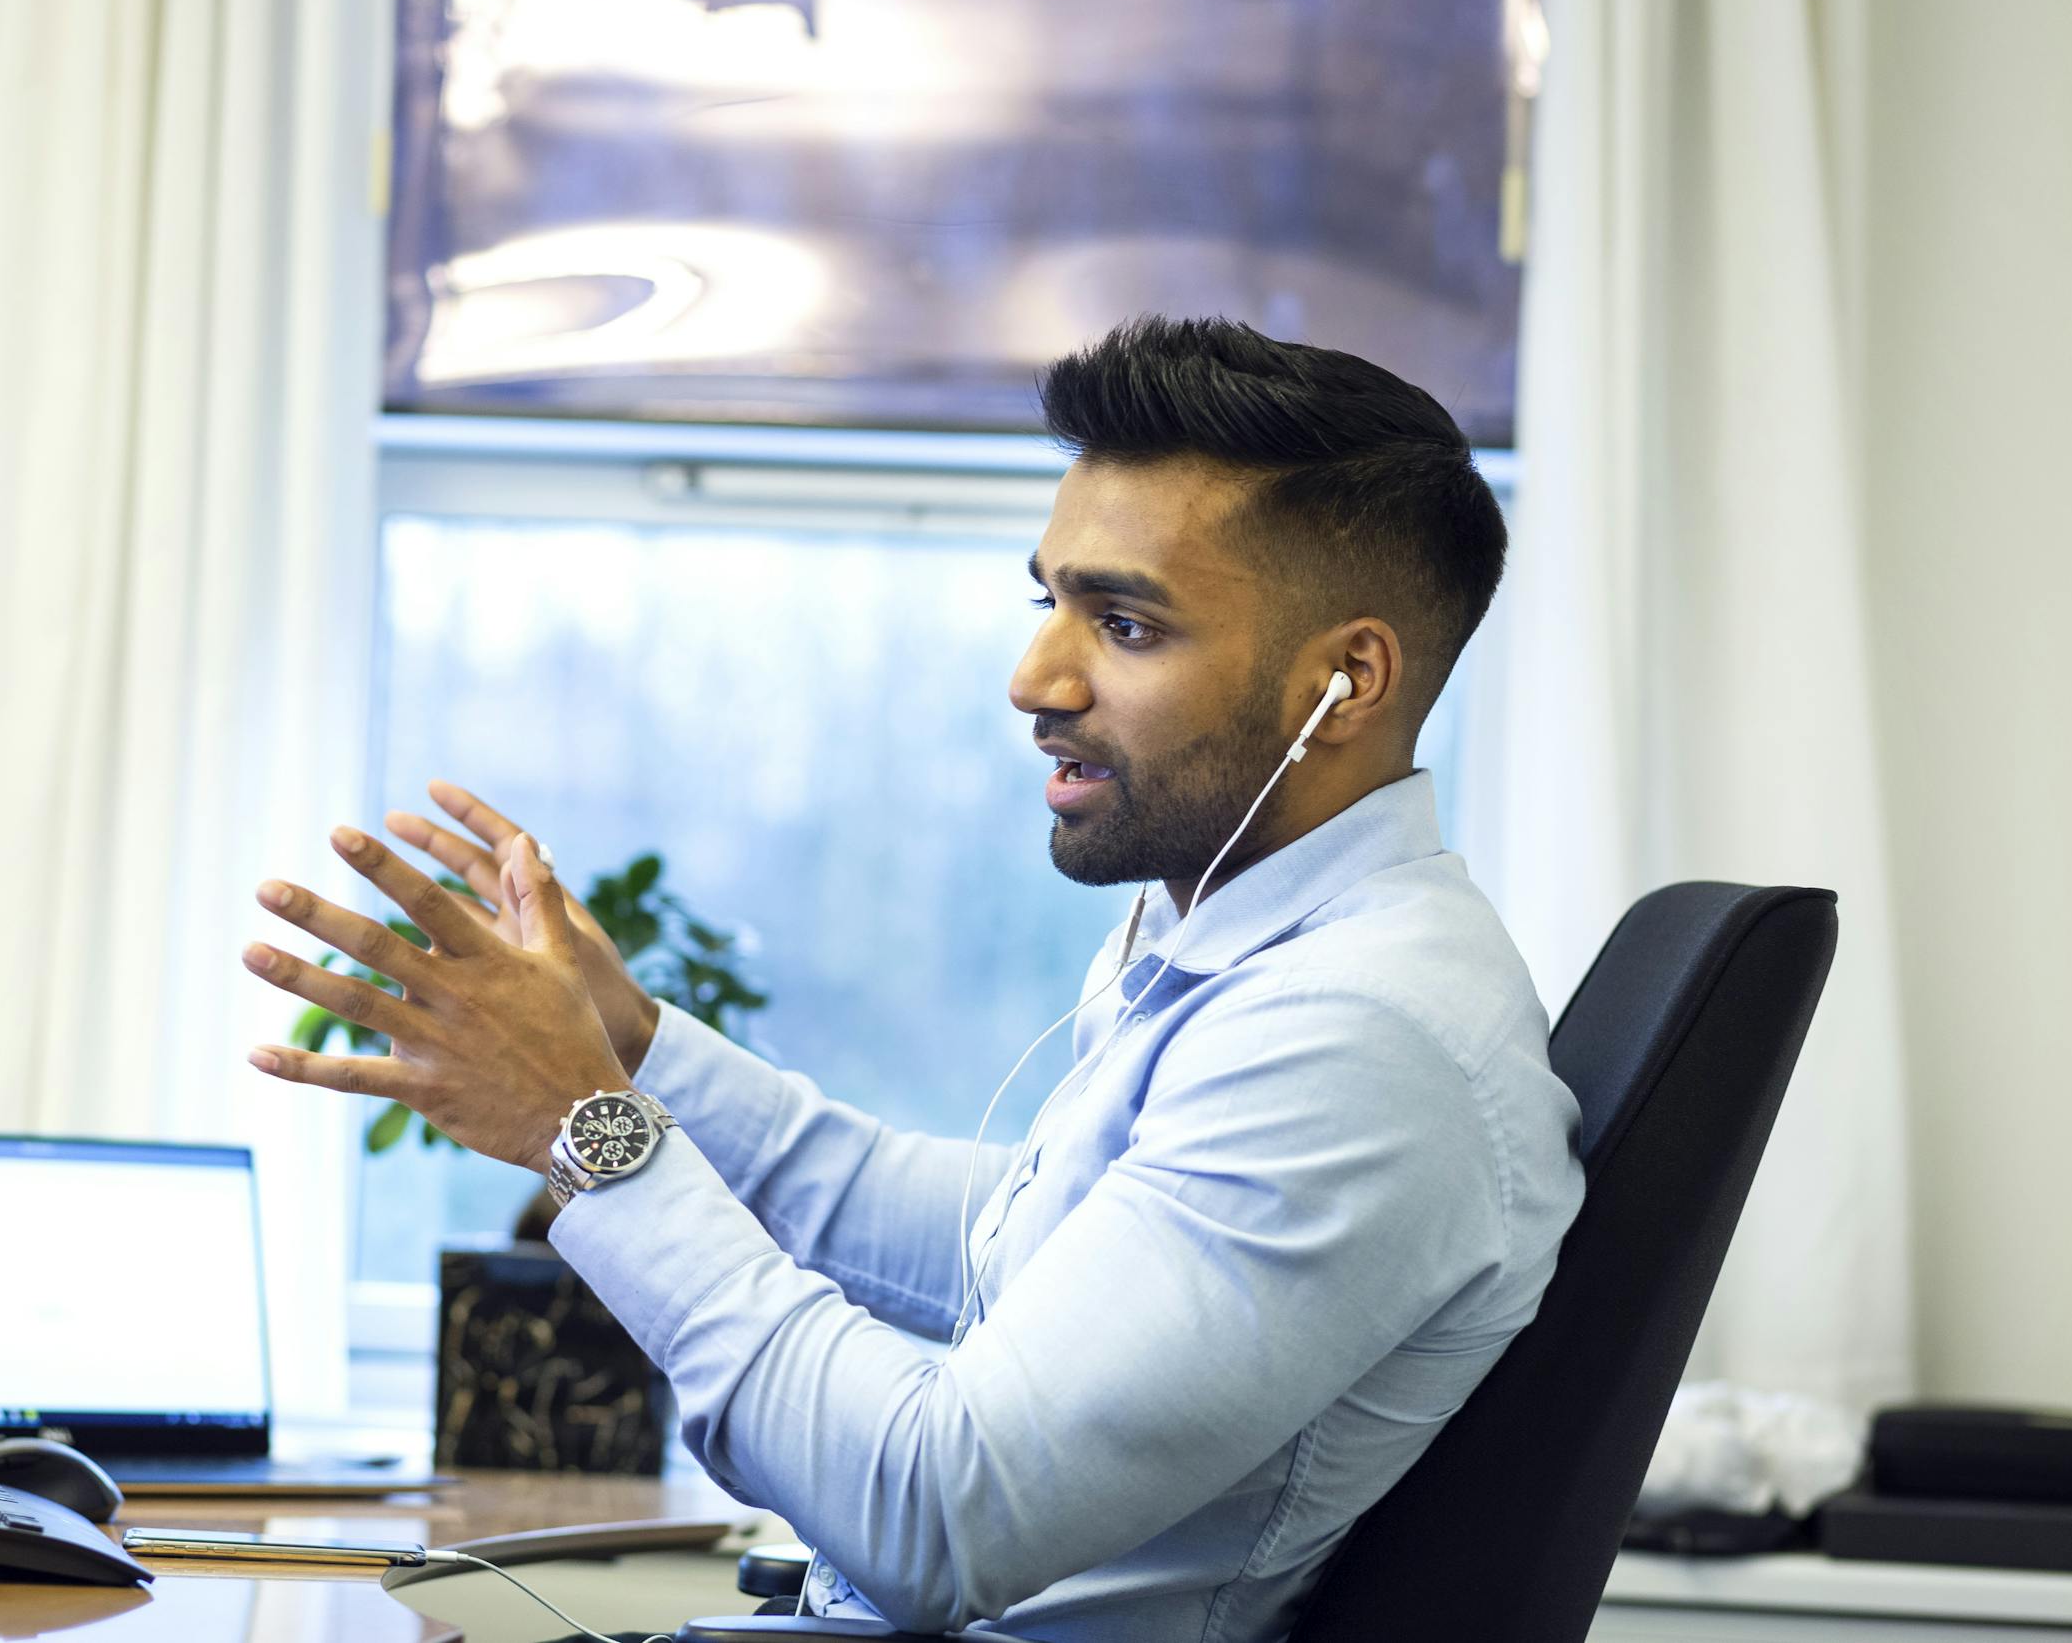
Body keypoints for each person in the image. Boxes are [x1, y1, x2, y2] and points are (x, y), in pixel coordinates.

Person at [238, 316, 1585, 1641]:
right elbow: (1001, 1241)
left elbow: (938, 1517)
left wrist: (583, 1130)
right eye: (1048, 600)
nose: (1033, 679)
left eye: (1124, 626)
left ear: (1345, 682)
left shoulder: (1358, 1044)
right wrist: (640, 1053)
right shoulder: (1265, 949)